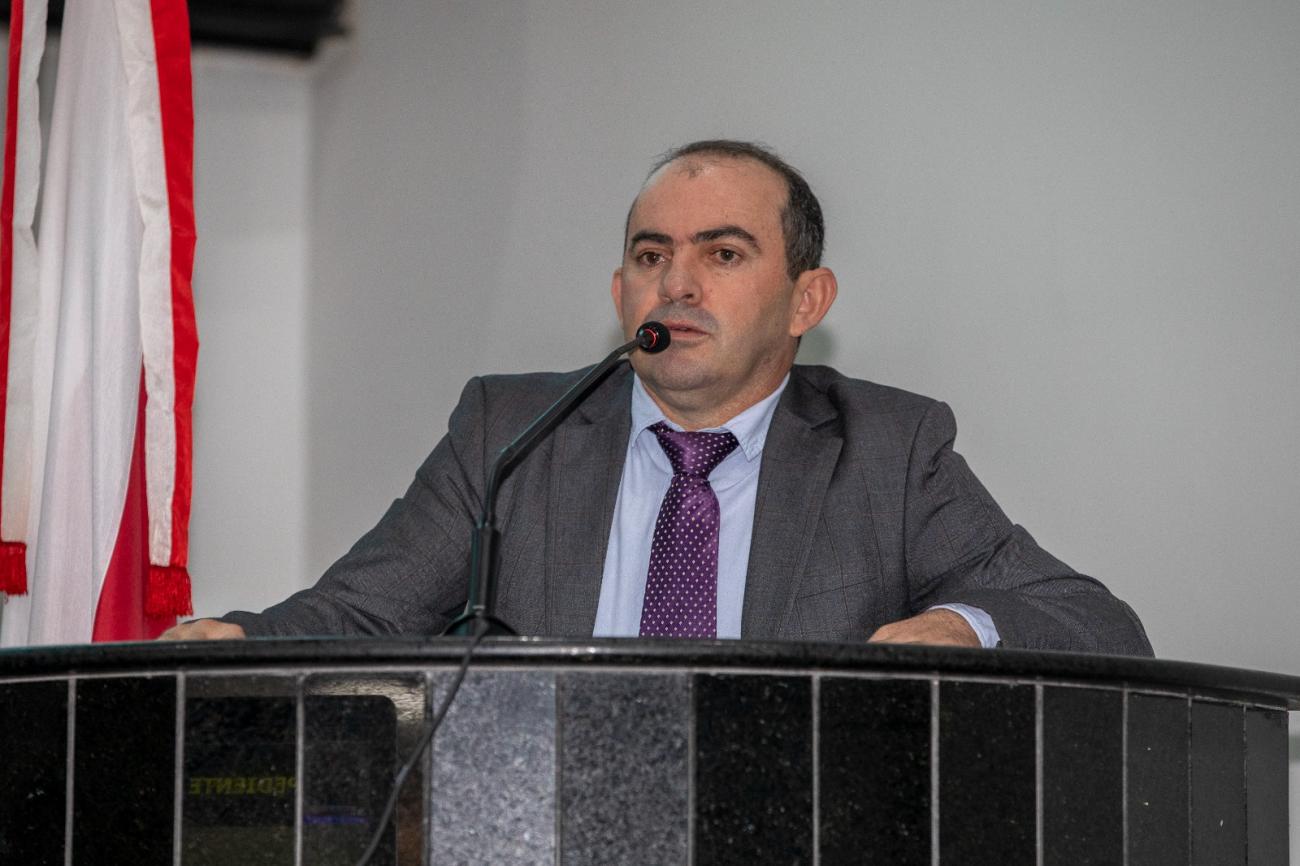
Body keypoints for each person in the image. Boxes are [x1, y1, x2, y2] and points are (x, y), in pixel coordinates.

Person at [162, 140, 1152, 655]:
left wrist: (961, 624)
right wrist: (240, 637)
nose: (675, 284)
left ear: (806, 300)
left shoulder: (887, 450)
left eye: (722, 253)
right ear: (619, 294)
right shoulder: (512, 432)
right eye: (650, 256)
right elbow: (364, 612)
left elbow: (1088, 619)